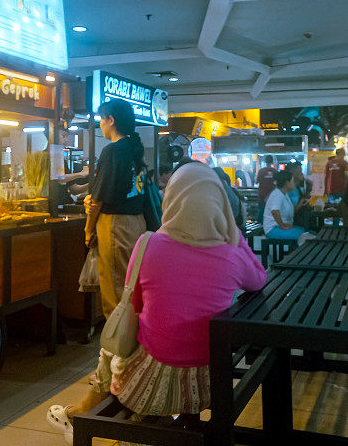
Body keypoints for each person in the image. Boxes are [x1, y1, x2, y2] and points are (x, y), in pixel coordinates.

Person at [47, 163, 266, 444]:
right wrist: (234, 236)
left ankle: (80, 416)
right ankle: (89, 419)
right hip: (208, 385)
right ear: (220, 203)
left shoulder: (148, 244)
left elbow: (136, 307)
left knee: (113, 350)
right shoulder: (231, 255)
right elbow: (259, 279)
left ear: (170, 199)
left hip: (146, 383)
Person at [84, 99, 147, 318]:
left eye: (102, 118)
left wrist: (88, 230)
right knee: (132, 286)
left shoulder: (112, 151)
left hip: (116, 226)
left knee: (115, 290)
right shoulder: (134, 149)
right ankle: (134, 341)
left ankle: (118, 348)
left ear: (111, 120)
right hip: (137, 224)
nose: (101, 124)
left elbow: (97, 200)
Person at [263, 170, 304, 242]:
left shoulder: (285, 194)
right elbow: (275, 211)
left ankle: (294, 252)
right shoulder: (277, 194)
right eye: (292, 181)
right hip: (273, 229)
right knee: (302, 235)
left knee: (303, 231)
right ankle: (296, 253)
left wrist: (301, 204)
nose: (294, 184)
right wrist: (282, 225)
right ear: (287, 182)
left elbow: (291, 211)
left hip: (279, 227)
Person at [256, 155, 276, 223]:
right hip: (272, 197)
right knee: (270, 215)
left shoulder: (261, 171)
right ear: (272, 161)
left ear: (265, 161)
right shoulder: (275, 171)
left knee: (261, 213)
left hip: (262, 196)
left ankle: (259, 229)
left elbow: (257, 181)